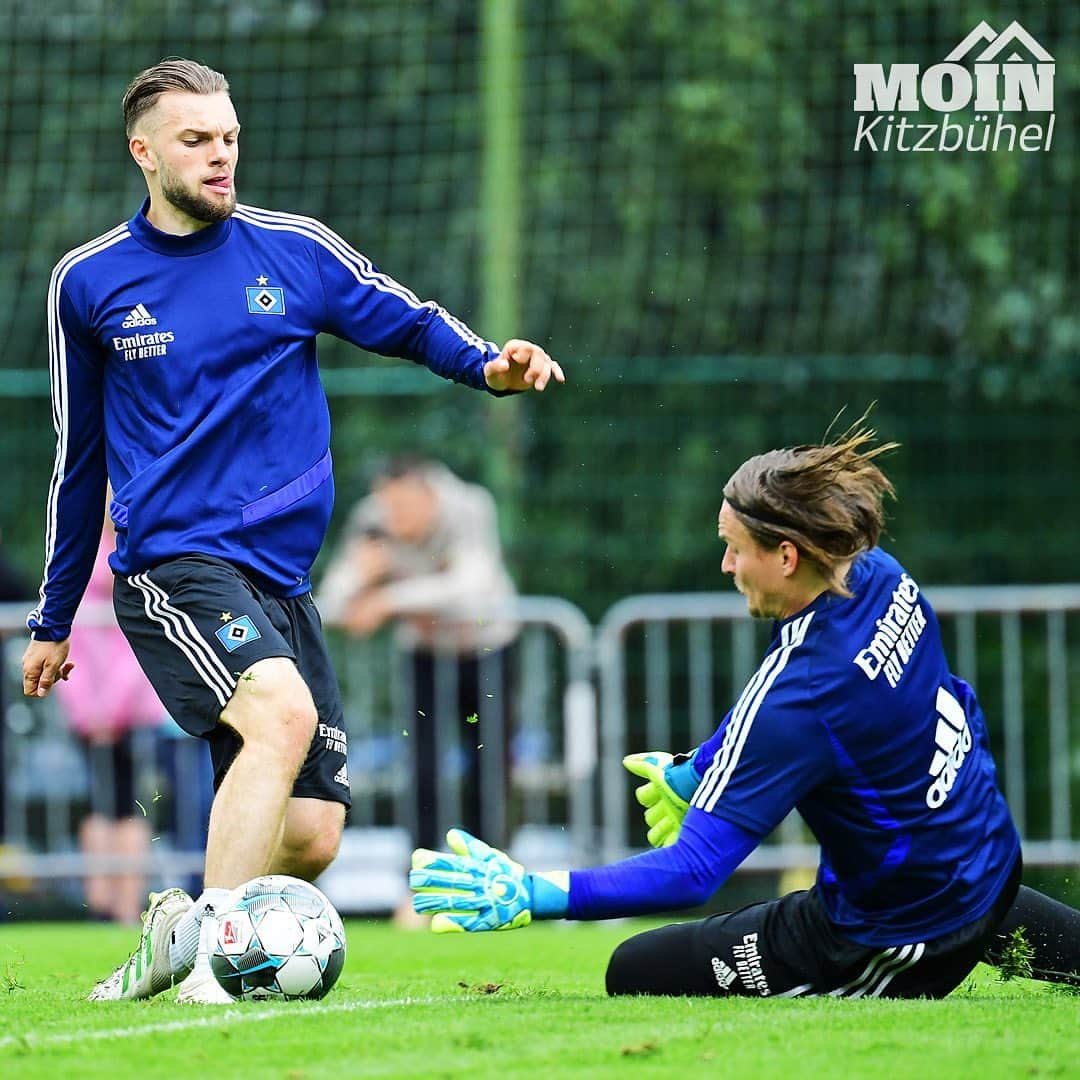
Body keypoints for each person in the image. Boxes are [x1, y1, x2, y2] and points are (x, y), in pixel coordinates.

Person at [21, 57, 564, 1005]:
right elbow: (78, 465)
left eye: (229, 136)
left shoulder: (296, 251)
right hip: (174, 568)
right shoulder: (91, 281)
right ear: (144, 153)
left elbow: (405, 320)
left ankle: (180, 928)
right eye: (196, 140)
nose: (221, 155)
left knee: (312, 835)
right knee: (281, 714)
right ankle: (213, 976)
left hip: (282, 582)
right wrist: (55, 617)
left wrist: (489, 367)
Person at [411, 424, 1080, 998]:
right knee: (947, 881)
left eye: (736, 547)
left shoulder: (805, 690)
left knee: (635, 967)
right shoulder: (877, 575)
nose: (727, 564)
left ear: (787, 556)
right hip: (984, 861)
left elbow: (693, 871)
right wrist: (700, 769)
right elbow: (779, 707)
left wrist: (535, 892)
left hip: (894, 939)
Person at [318, 456, 518, 855]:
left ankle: (491, 868)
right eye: (388, 508)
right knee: (422, 768)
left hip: (488, 649)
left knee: (489, 766)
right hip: (424, 653)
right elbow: (333, 597)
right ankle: (419, 878)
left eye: (404, 509)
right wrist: (362, 576)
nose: (395, 520)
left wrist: (388, 600)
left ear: (428, 495)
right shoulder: (372, 517)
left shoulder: (469, 506)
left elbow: (470, 588)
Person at [54, 520, 166, 924]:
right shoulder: (138, 554)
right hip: (113, 709)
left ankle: (112, 905)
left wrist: (96, 710)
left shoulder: (72, 558)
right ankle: (114, 905)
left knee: (112, 804)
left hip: (111, 710)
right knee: (119, 804)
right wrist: (99, 710)